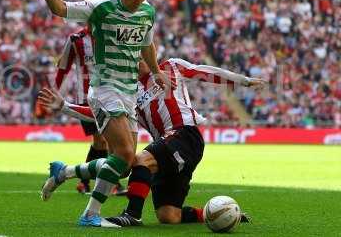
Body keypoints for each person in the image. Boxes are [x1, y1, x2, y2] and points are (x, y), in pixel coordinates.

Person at [38, 58, 264, 226]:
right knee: (168, 216)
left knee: (138, 160)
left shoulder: (170, 67)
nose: (135, 62)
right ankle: (215, 213)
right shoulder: (130, 93)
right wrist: (65, 107)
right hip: (166, 146)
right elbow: (100, 111)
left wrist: (243, 81)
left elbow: (203, 72)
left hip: (185, 134)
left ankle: (132, 215)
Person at [33, 0, 169, 227]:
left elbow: (147, 44)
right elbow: (59, 8)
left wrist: (156, 71)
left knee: (125, 163)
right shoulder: (101, 7)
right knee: (125, 155)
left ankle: (65, 172)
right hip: (105, 88)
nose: (137, 2)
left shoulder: (147, 12)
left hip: (129, 92)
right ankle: (90, 214)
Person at [54, 26, 126, 195]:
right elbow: (63, 66)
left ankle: (84, 182)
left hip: (109, 95)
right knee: (104, 141)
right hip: (86, 98)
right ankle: (111, 182)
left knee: (100, 142)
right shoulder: (76, 39)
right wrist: (55, 91)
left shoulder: (111, 34)